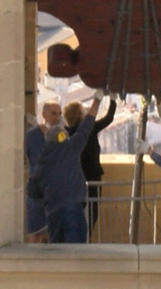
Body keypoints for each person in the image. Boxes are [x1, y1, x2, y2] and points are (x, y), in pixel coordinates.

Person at [27, 90, 104, 243]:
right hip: (73, 208)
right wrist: (97, 99)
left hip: (53, 213)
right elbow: (87, 124)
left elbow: (32, 190)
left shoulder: (43, 161)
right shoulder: (72, 148)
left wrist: (46, 196)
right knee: (75, 254)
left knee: (58, 254)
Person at [62, 93, 118, 233]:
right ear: (81, 115)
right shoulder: (89, 129)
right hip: (92, 177)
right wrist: (113, 99)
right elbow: (108, 118)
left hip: (72, 179)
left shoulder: (65, 134)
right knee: (92, 213)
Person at [24, 100, 61, 243]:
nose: (57, 118)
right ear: (44, 114)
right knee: (36, 234)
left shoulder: (62, 136)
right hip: (37, 194)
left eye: (59, 114)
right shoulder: (32, 136)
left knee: (57, 235)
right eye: (53, 113)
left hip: (57, 193)